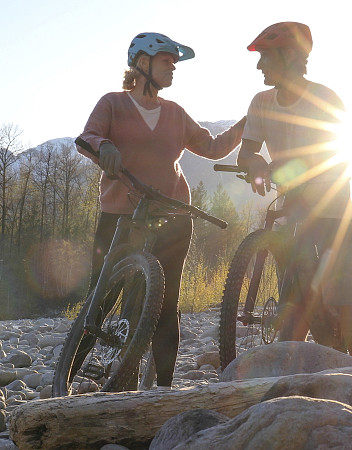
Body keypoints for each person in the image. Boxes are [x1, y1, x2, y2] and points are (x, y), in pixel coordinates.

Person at [76, 32, 246, 388]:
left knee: (166, 306)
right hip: (122, 215)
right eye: (167, 60)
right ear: (142, 63)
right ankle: (67, 377)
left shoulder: (175, 113)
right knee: (101, 298)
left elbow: (213, 148)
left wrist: (248, 123)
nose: (173, 68)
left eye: (174, 62)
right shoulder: (112, 103)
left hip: (173, 216)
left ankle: (163, 391)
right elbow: (88, 137)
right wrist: (104, 145)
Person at [236, 22, 352, 360]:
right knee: (296, 292)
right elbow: (246, 152)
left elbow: (345, 149)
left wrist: (288, 169)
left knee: (346, 293)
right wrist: (254, 164)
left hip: (331, 206)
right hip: (293, 205)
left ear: (291, 56)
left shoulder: (324, 98)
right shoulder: (261, 102)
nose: (259, 65)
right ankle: (288, 372)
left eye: (266, 57)